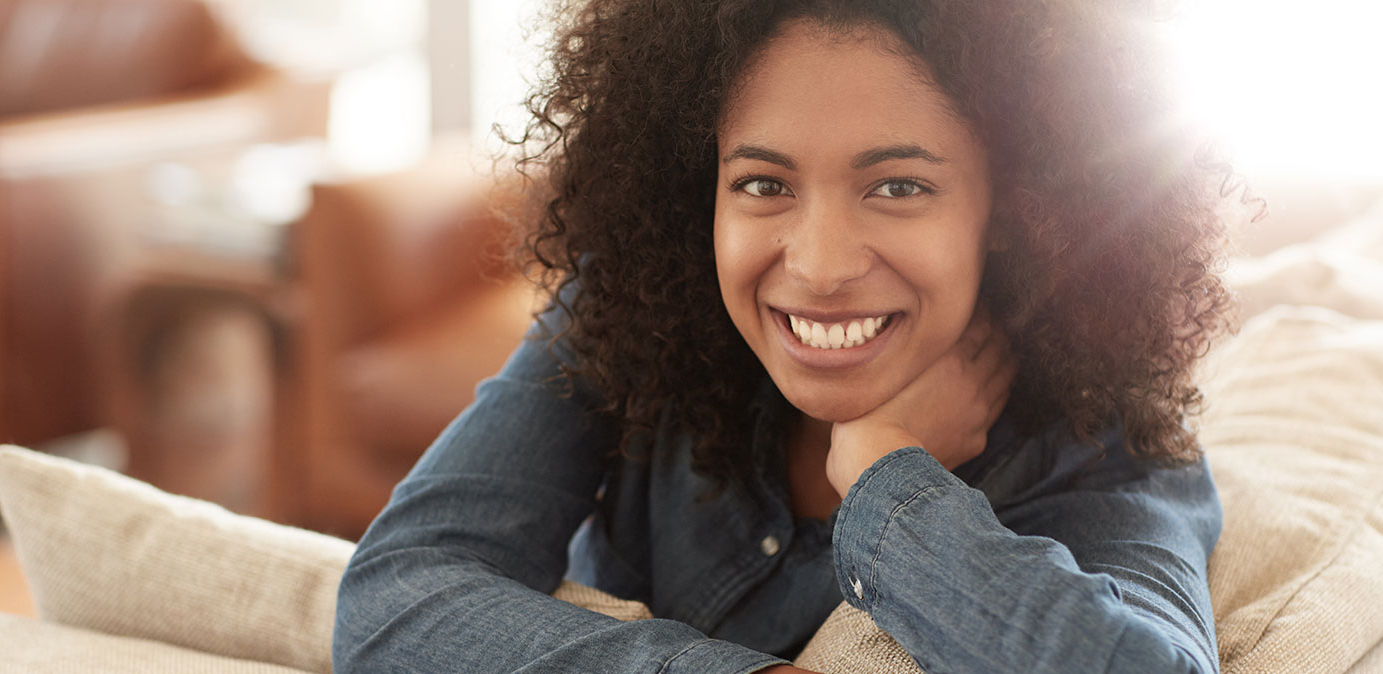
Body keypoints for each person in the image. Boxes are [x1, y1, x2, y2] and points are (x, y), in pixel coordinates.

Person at [333, 0, 1240, 672]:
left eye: (897, 186)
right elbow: (394, 598)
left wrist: (890, 481)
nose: (819, 265)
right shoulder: (627, 314)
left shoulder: (1099, 437)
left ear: (1011, 210)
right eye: (764, 184)